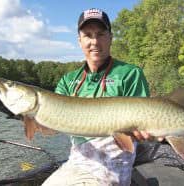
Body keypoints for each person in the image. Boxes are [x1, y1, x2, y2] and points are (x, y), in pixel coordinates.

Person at [42, 8, 154, 186]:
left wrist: (143, 131)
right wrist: (22, 114)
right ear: (80, 41)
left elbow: (141, 121)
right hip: (77, 160)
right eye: (88, 35)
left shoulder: (129, 73)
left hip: (114, 163)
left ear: (110, 38)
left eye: (101, 34)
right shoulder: (68, 80)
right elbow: (52, 128)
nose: (94, 41)